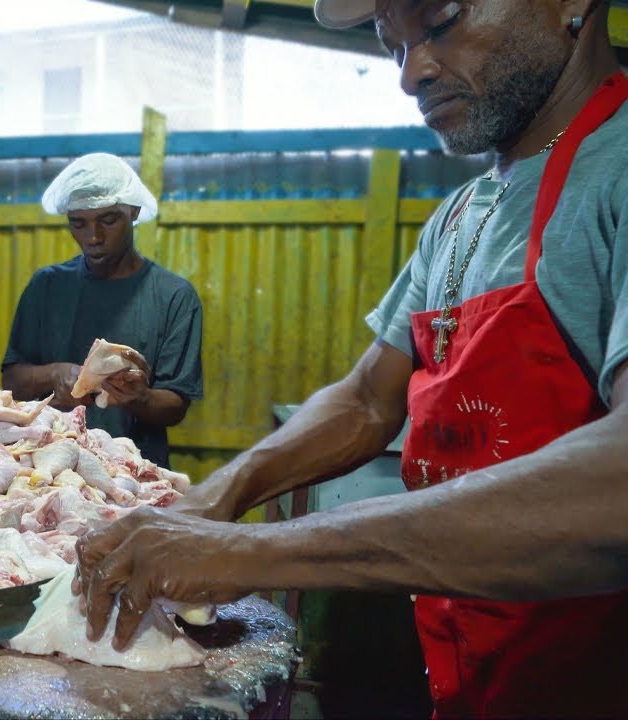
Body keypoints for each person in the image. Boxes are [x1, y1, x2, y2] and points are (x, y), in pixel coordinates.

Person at [75, 1, 628, 717]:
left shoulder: (614, 176)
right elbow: (369, 398)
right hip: (475, 673)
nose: (412, 73)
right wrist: (224, 494)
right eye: (393, 46)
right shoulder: (464, 214)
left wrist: (252, 554)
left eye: (438, 23)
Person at [0, 153, 203, 470]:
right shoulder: (46, 287)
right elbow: (12, 379)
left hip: (136, 478)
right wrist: (54, 375)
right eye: (78, 224)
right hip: (50, 471)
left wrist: (139, 397)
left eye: (108, 221)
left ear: (133, 211)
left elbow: (176, 406)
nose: (93, 238)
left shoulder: (174, 297)